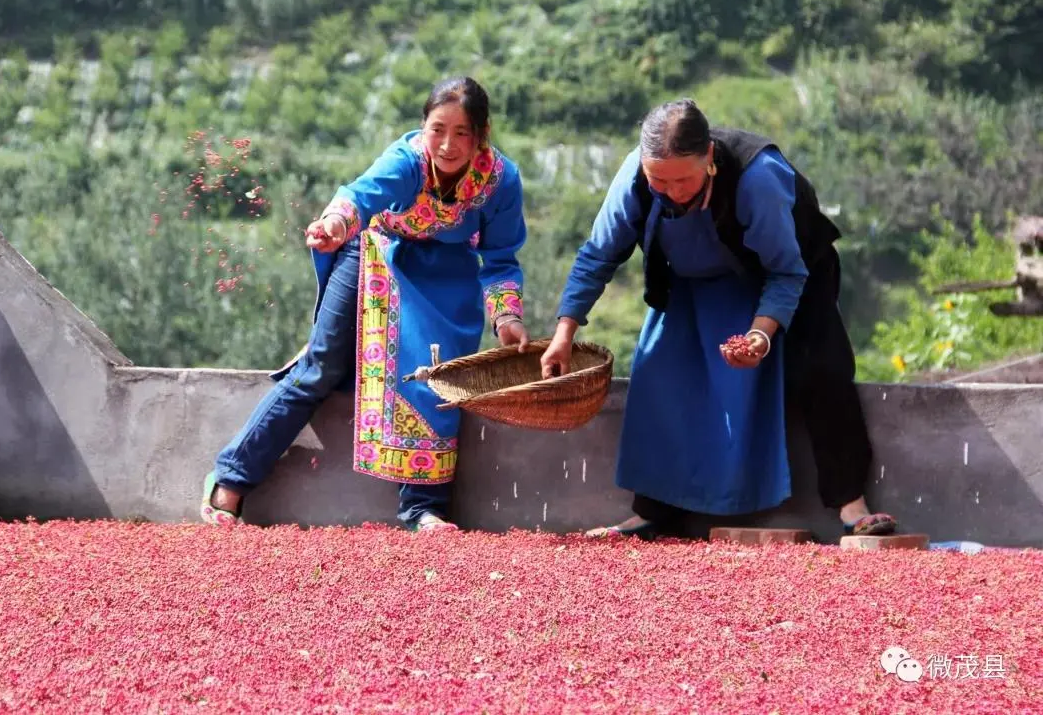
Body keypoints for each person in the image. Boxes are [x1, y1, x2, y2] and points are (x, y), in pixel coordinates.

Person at [539, 99, 896, 539]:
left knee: (819, 367)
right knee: (659, 370)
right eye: (658, 181)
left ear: (708, 157)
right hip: (695, 275)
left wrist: (761, 336)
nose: (670, 192)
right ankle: (655, 509)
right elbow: (598, 254)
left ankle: (850, 505)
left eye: (682, 180)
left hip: (791, 270)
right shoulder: (635, 174)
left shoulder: (756, 178)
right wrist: (564, 332)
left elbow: (786, 270)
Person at [200, 77, 530, 532]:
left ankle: (423, 508)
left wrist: (507, 315)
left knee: (437, 380)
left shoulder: (501, 181)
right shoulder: (407, 160)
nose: (448, 145)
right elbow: (359, 196)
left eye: (462, 133)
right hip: (374, 253)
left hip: (445, 277)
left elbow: (499, 257)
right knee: (320, 366)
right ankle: (230, 479)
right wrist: (335, 224)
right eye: (438, 129)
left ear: (481, 134)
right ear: (423, 127)